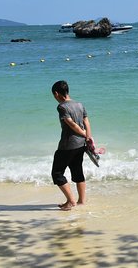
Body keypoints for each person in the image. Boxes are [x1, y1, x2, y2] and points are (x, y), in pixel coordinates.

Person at [50, 80, 92, 211]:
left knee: (57, 173)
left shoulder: (62, 107)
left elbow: (71, 124)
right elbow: (86, 120)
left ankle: (70, 201)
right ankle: (81, 201)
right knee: (77, 171)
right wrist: (88, 136)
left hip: (67, 146)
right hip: (81, 144)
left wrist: (84, 134)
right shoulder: (79, 104)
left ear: (57, 93)